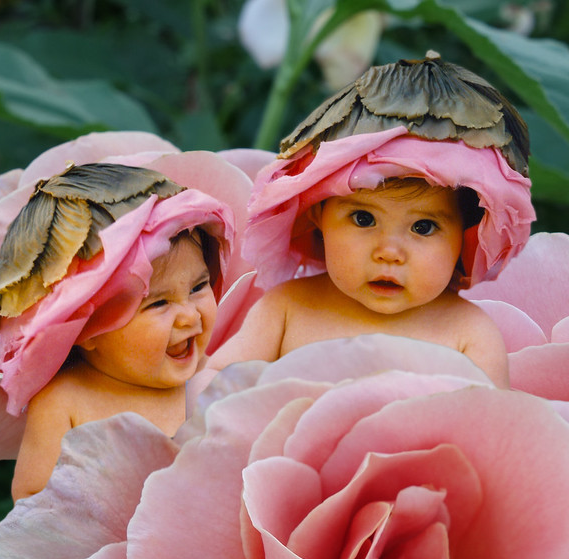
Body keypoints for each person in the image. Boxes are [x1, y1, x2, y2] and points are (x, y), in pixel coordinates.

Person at [207, 54, 536, 386]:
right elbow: (214, 386)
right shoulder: (287, 308)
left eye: (423, 227)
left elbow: (490, 428)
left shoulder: (469, 335)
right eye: (363, 218)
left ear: (466, 234)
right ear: (318, 212)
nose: (389, 251)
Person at [0, 163, 234, 501]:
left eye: (199, 286)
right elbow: (33, 500)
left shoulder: (217, 381)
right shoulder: (65, 402)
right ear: (85, 328)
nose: (189, 316)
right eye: (158, 304)